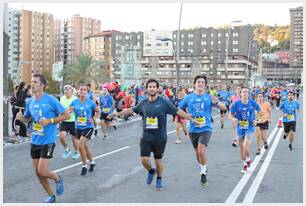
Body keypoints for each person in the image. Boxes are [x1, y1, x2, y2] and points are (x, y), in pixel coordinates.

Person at [107, 78, 201, 191]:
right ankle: (151, 171)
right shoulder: (143, 103)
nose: (152, 88)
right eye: (150, 87)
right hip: (146, 136)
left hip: (160, 137)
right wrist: (116, 113)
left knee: (158, 160)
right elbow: (131, 110)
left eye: (154, 87)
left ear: (157, 89)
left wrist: (192, 119)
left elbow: (178, 111)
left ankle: (159, 179)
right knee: (144, 160)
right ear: (147, 89)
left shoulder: (164, 103)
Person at [16, 74, 70, 203]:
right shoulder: (30, 101)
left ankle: (57, 178)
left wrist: (50, 120)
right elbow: (28, 118)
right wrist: (21, 117)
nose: (32, 84)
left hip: (48, 140)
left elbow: (66, 115)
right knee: (38, 173)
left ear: (42, 85)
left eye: (35, 82)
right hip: (35, 140)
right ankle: (51, 195)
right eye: (31, 81)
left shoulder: (51, 100)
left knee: (42, 170)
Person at [179, 75, 226, 185]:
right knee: (197, 153)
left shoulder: (209, 97)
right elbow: (179, 110)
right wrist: (188, 116)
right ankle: (203, 166)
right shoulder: (188, 97)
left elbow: (224, 108)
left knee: (201, 150)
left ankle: (203, 172)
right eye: (198, 82)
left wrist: (217, 102)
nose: (200, 84)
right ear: (194, 84)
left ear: (205, 85)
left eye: (202, 82)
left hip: (206, 128)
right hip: (193, 129)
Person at [228, 87, 261, 174]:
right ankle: (245, 163)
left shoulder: (253, 103)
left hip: (250, 127)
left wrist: (256, 120)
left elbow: (259, 111)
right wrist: (233, 119)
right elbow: (230, 114)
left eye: (247, 92)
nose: (245, 93)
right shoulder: (236, 104)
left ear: (249, 94)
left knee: (245, 146)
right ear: (241, 94)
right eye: (243, 91)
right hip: (240, 128)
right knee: (242, 147)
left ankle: (248, 161)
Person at [70, 84, 99, 175]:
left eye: (84, 90)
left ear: (87, 92)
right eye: (81, 89)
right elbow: (68, 111)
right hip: (78, 127)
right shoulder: (74, 102)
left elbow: (98, 111)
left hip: (88, 127)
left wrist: (93, 117)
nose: (82, 91)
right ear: (78, 91)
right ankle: (92, 162)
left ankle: (84, 166)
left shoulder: (90, 102)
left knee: (80, 145)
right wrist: (68, 111)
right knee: (84, 147)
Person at [59, 85, 80, 160]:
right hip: (64, 121)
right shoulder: (62, 98)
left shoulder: (75, 99)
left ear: (71, 90)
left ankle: (77, 152)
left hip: (73, 121)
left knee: (74, 138)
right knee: (61, 136)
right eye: (65, 89)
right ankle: (67, 149)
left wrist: (73, 109)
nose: (66, 91)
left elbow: (79, 108)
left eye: (67, 89)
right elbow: (60, 108)